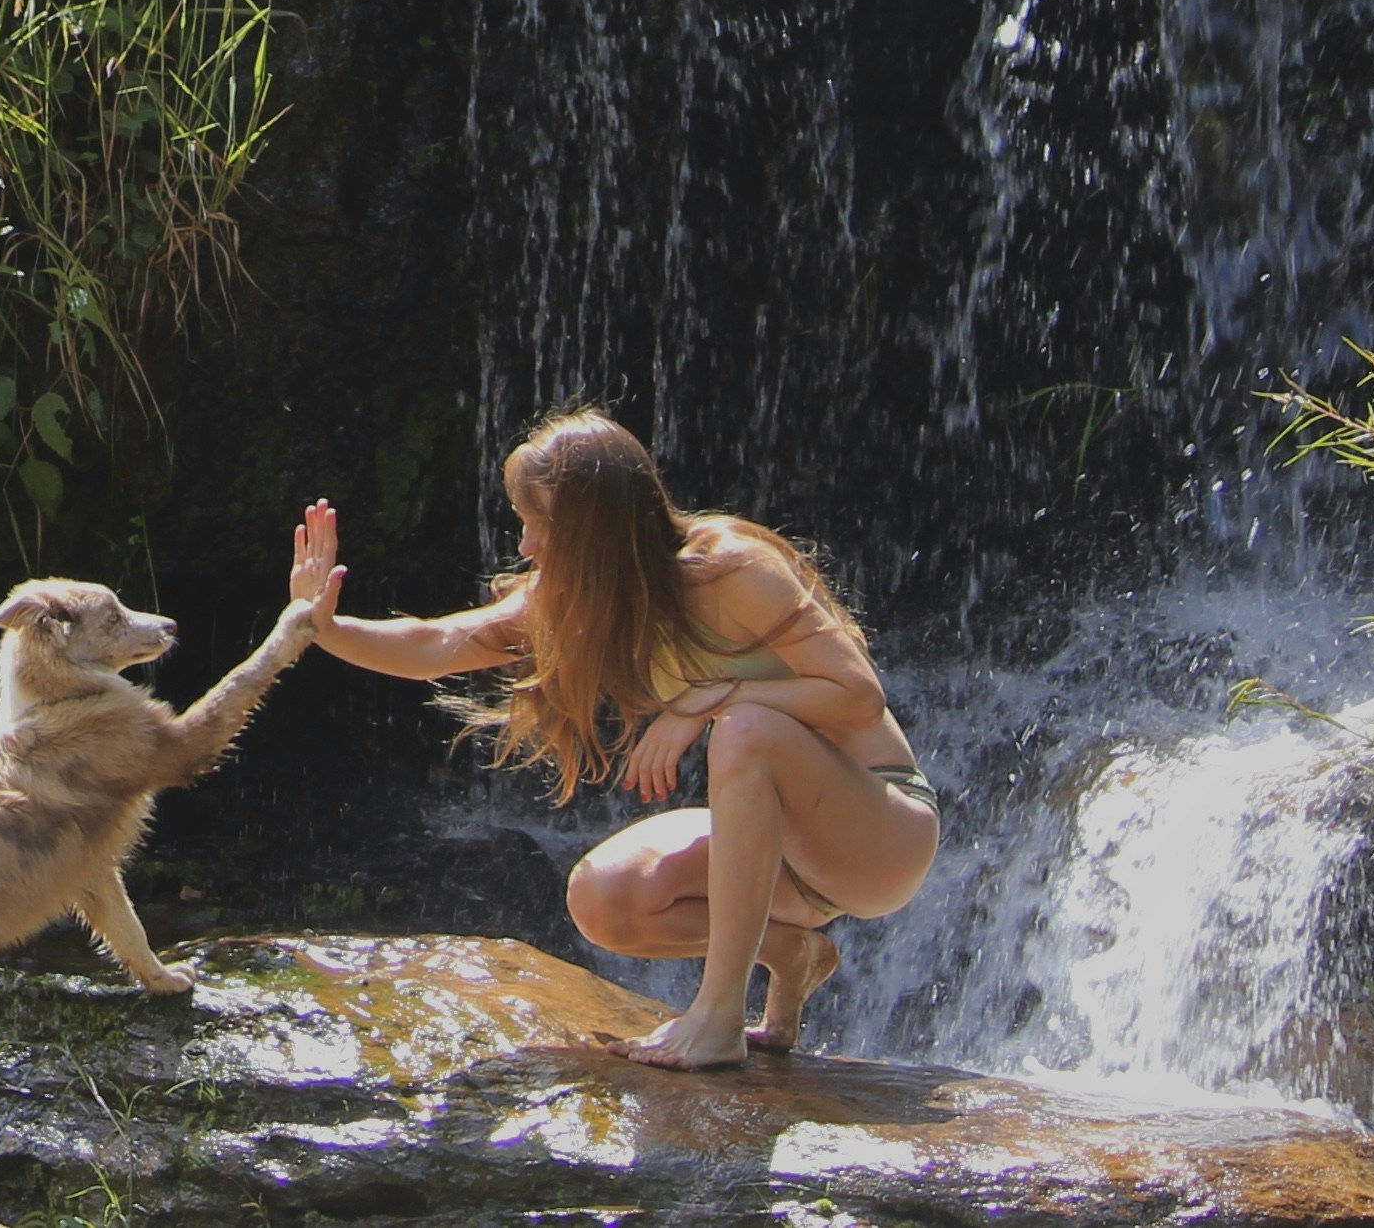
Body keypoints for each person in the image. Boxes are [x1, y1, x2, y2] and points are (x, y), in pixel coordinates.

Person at [288, 409, 937, 1066]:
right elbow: (436, 643)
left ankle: (717, 1018)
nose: (526, 546)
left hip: (878, 834)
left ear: (592, 529)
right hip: (780, 858)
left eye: (538, 524)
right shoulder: (575, 599)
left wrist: (703, 706)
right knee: (607, 897)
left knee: (745, 731)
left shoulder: (732, 571)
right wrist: (325, 628)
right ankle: (789, 951)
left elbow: (858, 697)